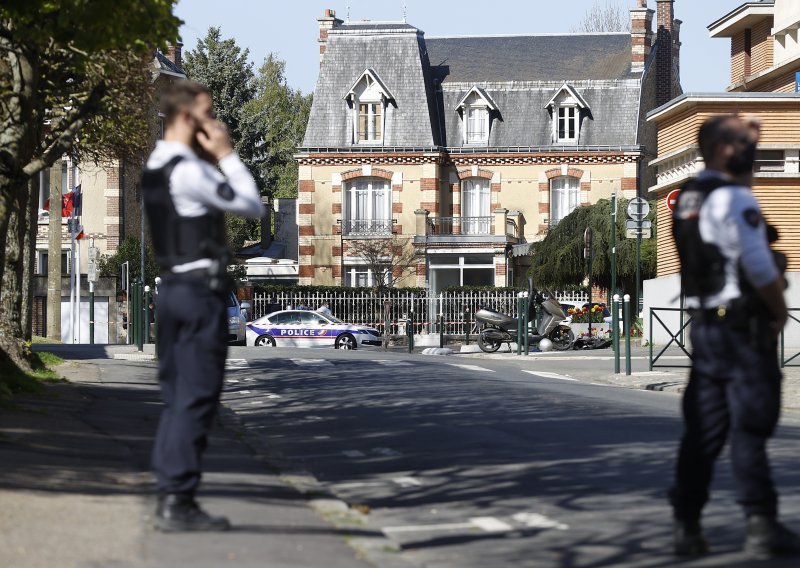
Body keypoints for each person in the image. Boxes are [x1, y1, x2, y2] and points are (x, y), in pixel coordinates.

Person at [669, 114, 799, 559]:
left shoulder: (690, 196)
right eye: (748, 148)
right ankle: (761, 524)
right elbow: (759, 267)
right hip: (742, 332)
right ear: (726, 150)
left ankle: (687, 525)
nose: (754, 157)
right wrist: (780, 313)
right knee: (749, 428)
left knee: (703, 432)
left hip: (706, 330)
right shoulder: (731, 198)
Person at [142, 80, 265, 531]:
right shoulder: (192, 171)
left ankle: (171, 492)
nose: (216, 124)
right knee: (196, 397)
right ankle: (178, 499)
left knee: (177, 396)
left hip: (171, 291)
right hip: (199, 294)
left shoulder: (154, 164)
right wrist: (227, 154)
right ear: (189, 118)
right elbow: (252, 206)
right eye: (209, 114)